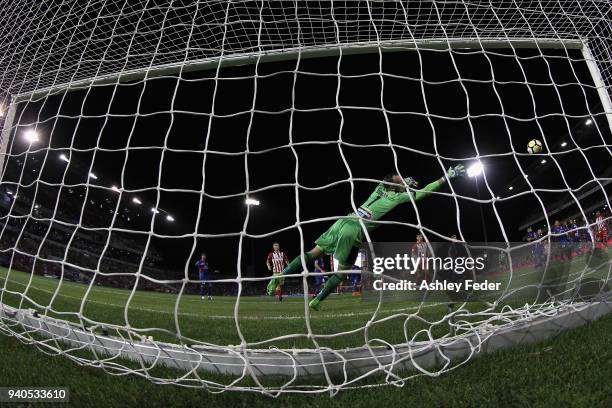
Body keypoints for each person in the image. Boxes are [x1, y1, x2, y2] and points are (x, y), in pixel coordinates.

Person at [266, 164, 466, 311]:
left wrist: (403, 182)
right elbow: (422, 193)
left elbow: (392, 179)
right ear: (396, 187)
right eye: (401, 181)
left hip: (342, 221)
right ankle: (317, 300)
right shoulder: (397, 197)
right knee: (342, 273)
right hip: (353, 231)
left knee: (313, 252)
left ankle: (281, 274)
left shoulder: (379, 187)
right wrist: (445, 177)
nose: (404, 182)